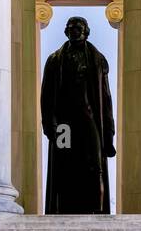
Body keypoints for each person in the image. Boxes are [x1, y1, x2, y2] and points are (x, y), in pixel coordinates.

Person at [40, 15, 116, 213]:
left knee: (95, 163)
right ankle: (64, 208)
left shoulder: (98, 60)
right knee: (64, 165)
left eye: (78, 27)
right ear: (66, 32)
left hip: (90, 119)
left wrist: (109, 134)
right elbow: (46, 97)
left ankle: (97, 210)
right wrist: (50, 126)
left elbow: (106, 99)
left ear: (86, 31)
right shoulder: (55, 60)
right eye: (71, 28)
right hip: (64, 124)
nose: (74, 31)